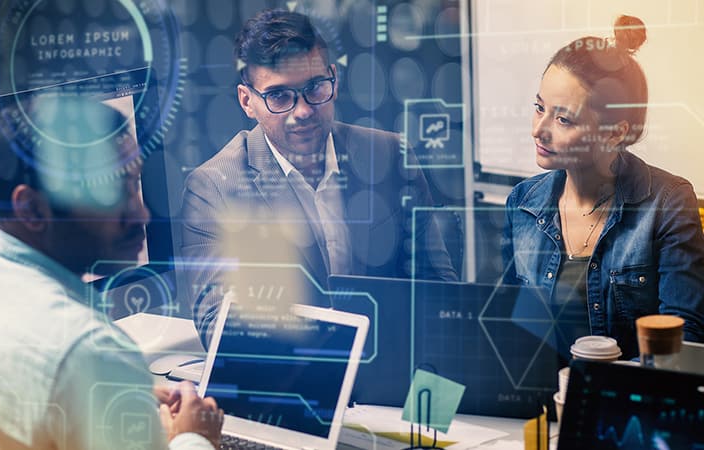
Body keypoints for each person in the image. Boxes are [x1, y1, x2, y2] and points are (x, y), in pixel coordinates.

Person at [0, 97, 222, 450]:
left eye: (134, 183)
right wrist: (194, 436)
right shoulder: (90, 350)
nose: (142, 214)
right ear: (32, 208)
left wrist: (111, 390)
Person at [181, 9, 458, 344]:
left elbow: (438, 289)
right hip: (290, 379)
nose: (303, 111)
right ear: (247, 102)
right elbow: (219, 326)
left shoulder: (390, 156)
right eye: (279, 96)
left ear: (334, 79)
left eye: (314, 87)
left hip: (389, 370)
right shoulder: (214, 188)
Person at [502, 15, 704, 359]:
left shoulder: (667, 204)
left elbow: (682, 345)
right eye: (539, 108)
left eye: (563, 119)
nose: (539, 129)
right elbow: (499, 328)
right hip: (537, 403)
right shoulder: (523, 202)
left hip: (622, 403)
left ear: (615, 132)